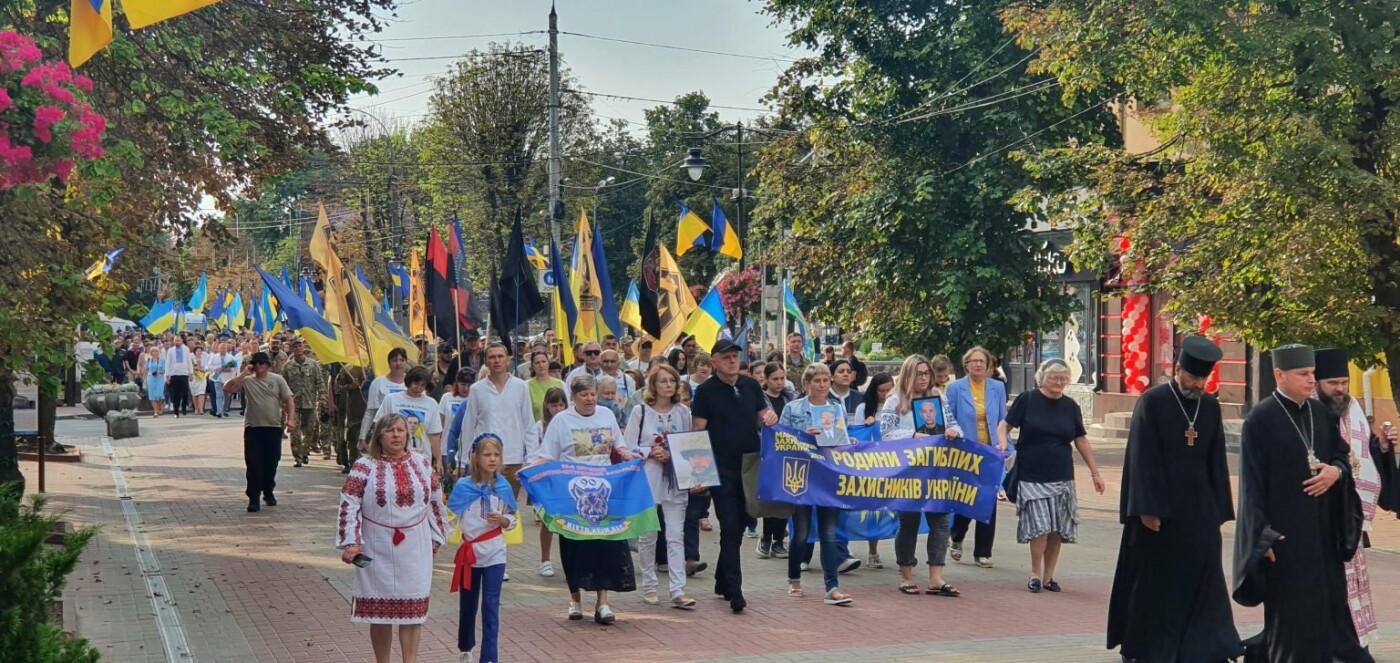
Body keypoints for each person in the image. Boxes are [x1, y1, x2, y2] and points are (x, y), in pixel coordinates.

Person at [1106, 336, 1241, 663]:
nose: (1197, 384)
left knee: (1203, 579)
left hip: (1199, 511)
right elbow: (1141, 458)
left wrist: (1219, 507)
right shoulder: (1152, 401)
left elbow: (1215, 458)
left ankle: (1207, 646)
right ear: (1177, 369)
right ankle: (1146, 648)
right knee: (1156, 582)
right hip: (1159, 513)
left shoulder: (1209, 405)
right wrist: (1147, 509)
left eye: (1203, 379)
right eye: (1192, 377)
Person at [1234, 344, 1364, 663]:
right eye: (1303, 374)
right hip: (1284, 538)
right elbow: (1251, 487)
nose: (1310, 380)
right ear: (1280, 375)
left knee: (1325, 612)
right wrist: (1261, 535)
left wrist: (1336, 472)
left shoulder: (1320, 413)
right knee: (1291, 619)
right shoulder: (1260, 420)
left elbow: (1339, 455)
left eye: (1312, 374)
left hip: (1322, 536)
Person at [336, 414, 446, 663]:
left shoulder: (421, 463)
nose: (396, 435)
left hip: (415, 545)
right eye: (389, 431)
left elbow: (436, 500)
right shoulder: (364, 466)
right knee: (380, 612)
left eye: (400, 430)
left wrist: (436, 537)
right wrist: (351, 542)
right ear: (379, 436)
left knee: (413, 611)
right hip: (376, 545)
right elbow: (349, 503)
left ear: (408, 435)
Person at [529, 374, 637, 624]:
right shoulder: (561, 421)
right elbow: (547, 455)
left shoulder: (607, 416)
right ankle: (574, 599)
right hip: (572, 494)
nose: (589, 399)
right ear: (573, 397)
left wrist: (627, 453)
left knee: (605, 546)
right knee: (574, 548)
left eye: (593, 394)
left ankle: (603, 603)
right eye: (584, 394)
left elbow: (618, 447)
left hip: (603, 492)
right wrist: (531, 470)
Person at [1316, 348, 1400, 659]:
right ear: (1317, 383)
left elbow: (1363, 456)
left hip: (1350, 518)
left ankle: (1352, 645)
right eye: (1332, 383)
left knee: (1351, 588)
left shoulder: (1352, 409)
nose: (1340, 389)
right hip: (1321, 516)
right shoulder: (1309, 411)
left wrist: (1380, 448)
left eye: (1343, 382)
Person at [999, 358, 1105, 594]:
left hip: (1061, 473)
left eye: (1063, 378)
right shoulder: (1027, 399)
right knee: (1040, 526)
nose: (1058, 382)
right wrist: (1003, 442)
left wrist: (1095, 473)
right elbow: (1004, 425)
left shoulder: (1070, 406)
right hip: (1031, 472)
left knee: (1057, 527)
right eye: (1053, 378)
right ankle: (1035, 573)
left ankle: (1049, 576)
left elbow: (1081, 440)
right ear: (1042, 378)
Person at [689, 339, 778, 613]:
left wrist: (770, 417)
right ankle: (735, 589)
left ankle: (721, 579)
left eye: (734, 356)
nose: (731, 361)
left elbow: (763, 416)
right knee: (728, 524)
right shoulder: (705, 391)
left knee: (740, 524)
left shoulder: (750, 385)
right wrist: (698, 474)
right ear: (713, 361)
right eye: (725, 357)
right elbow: (697, 432)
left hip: (749, 466)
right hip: (720, 467)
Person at [881, 355, 962, 597]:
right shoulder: (894, 401)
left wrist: (952, 431)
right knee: (909, 521)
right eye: (919, 373)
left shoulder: (939, 398)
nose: (924, 378)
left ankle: (936, 578)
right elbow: (886, 435)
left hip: (937, 469)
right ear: (908, 375)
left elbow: (955, 424)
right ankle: (906, 575)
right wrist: (913, 436)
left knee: (941, 521)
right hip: (908, 471)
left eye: (927, 373)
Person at [623, 363, 697, 609]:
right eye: (663, 381)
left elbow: (688, 443)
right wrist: (649, 451)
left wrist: (672, 454)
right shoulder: (640, 412)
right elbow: (628, 447)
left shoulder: (683, 412)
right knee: (648, 534)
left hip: (675, 478)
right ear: (653, 385)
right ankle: (650, 585)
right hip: (649, 478)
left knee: (676, 535)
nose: (668, 385)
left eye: (672, 381)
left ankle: (678, 589)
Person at [780, 363, 856, 606]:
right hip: (801, 477)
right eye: (817, 381)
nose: (823, 385)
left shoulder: (836, 408)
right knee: (801, 533)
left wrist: (848, 440)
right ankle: (793, 580)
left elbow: (841, 439)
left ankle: (832, 586)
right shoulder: (793, 408)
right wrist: (804, 433)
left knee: (829, 533)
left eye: (825, 380)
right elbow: (780, 440)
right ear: (806, 384)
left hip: (827, 476)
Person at [447, 433, 516, 663]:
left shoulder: (504, 486)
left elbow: (512, 519)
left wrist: (504, 521)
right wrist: (435, 539)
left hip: (495, 552)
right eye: (487, 455)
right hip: (470, 554)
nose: (492, 459)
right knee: (468, 605)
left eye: (496, 455)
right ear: (476, 458)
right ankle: (466, 648)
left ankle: (489, 657)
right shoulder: (464, 486)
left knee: (490, 605)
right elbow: (450, 517)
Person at [452, 343, 537, 513]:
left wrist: (531, 459)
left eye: (500, 356)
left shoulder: (521, 386)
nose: (496, 360)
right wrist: (462, 461)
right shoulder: (477, 389)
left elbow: (529, 424)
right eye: (492, 357)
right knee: (483, 509)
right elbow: (468, 426)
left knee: (508, 511)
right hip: (483, 459)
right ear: (486, 362)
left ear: (508, 360)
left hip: (513, 458)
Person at [945, 346, 1009, 568]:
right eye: (973, 361)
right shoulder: (955, 388)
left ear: (988, 365)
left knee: (988, 500)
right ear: (966, 365)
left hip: (991, 451)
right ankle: (957, 536)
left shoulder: (998, 388)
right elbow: (949, 418)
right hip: (966, 452)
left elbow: (1003, 419)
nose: (978, 365)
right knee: (967, 497)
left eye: (982, 361)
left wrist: (1004, 443)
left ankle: (983, 552)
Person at [224, 352, 295, 513]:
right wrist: (243, 373)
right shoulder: (247, 381)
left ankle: (268, 491)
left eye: (262, 363)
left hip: (273, 427)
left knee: (271, 463)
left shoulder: (277, 379)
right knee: (253, 464)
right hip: (253, 428)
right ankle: (253, 497)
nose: (259, 366)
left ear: (268, 365)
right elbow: (227, 388)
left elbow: (289, 400)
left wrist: (291, 419)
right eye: (255, 363)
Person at [528, 387, 568, 579]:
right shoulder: (539, 427)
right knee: (548, 520)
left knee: (569, 520)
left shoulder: (569, 424)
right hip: (547, 479)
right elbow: (535, 453)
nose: (558, 409)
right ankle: (545, 560)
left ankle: (570, 559)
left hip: (567, 478)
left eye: (562, 404)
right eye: (554, 405)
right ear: (546, 406)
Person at [755, 362, 792, 560]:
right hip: (768, 453)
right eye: (775, 379)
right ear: (766, 379)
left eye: (782, 379)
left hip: (788, 454)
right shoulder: (760, 400)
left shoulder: (791, 398)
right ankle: (766, 537)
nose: (779, 383)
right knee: (771, 497)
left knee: (786, 497)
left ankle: (779, 539)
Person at [372, 366, 444, 466]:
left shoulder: (432, 404)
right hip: (393, 458)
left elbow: (434, 435)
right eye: (415, 383)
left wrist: (438, 460)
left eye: (422, 385)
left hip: (422, 460)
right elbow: (379, 427)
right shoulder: (391, 399)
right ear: (409, 382)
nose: (418, 388)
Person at [282, 340, 326, 468]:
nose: (298, 348)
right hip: (293, 405)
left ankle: (305, 452)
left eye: (300, 346)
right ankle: (298, 457)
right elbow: (283, 386)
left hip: (310, 403)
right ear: (291, 349)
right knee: (294, 433)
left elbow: (320, 382)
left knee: (309, 431)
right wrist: (283, 405)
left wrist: (322, 397)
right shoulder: (287, 366)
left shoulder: (312, 365)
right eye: (295, 346)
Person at [359, 348, 409, 449]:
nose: (398, 363)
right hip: (384, 433)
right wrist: (362, 436)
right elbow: (370, 411)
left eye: (402, 360)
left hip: (407, 435)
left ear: (406, 362)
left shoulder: (412, 384)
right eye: (395, 360)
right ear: (389, 363)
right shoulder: (378, 382)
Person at [330, 363, 368, 474]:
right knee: (349, 440)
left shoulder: (372, 369)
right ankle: (349, 464)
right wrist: (350, 386)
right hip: (350, 410)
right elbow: (336, 387)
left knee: (366, 440)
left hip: (368, 411)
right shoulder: (346, 369)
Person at [526, 350, 565, 421]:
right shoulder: (526, 386)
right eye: (537, 363)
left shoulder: (561, 384)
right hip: (537, 429)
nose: (541, 365)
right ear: (532, 366)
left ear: (548, 363)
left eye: (544, 361)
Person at [163, 334, 195, 417]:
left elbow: (189, 361)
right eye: (175, 341)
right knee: (175, 394)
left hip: (184, 374)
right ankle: (176, 411)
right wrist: (167, 375)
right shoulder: (171, 350)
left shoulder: (186, 349)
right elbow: (167, 363)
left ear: (181, 341)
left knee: (184, 393)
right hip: (174, 374)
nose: (177, 342)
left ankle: (184, 406)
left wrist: (191, 373)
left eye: (178, 340)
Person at [439, 367, 475, 434]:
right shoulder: (446, 398)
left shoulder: (475, 400)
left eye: (469, 385)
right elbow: (440, 424)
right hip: (447, 442)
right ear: (457, 383)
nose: (465, 388)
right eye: (463, 384)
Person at [141, 346, 166, 417]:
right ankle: (155, 411)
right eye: (153, 351)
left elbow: (164, 370)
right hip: (150, 378)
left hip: (159, 378)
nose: (154, 353)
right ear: (151, 353)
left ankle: (160, 407)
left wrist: (158, 372)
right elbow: (146, 370)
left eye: (156, 351)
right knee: (152, 395)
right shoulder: (148, 360)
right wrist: (143, 378)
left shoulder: (162, 360)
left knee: (159, 394)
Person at [190, 346, 207, 415]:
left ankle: (201, 409)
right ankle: (196, 409)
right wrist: (194, 368)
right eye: (197, 351)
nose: (199, 352)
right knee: (194, 393)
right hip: (193, 377)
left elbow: (206, 368)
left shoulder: (204, 358)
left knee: (201, 392)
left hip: (202, 377)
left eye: (200, 351)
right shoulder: (191, 358)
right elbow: (189, 368)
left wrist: (199, 367)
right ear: (195, 352)